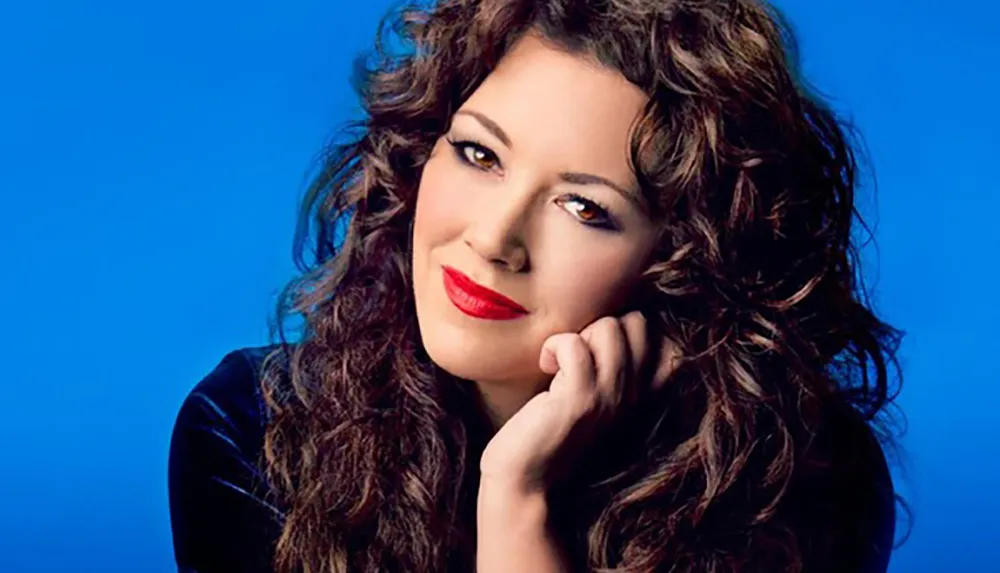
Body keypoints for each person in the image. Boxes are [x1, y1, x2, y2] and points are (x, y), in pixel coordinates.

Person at [168, 0, 904, 571]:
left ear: (686, 264)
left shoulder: (808, 483)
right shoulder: (255, 434)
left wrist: (520, 504)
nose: (493, 238)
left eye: (585, 207)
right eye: (478, 152)